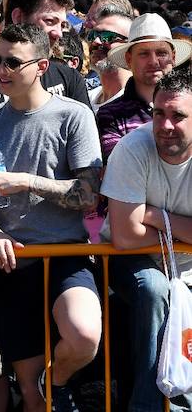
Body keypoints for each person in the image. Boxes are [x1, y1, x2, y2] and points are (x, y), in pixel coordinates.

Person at [0, 23, 103, 412]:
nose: (2, 70)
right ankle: (44, 386)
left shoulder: (73, 115)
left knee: (83, 336)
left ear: (42, 66)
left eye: (13, 62)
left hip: (65, 256)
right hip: (9, 262)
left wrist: (28, 181)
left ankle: (56, 378)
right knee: (30, 394)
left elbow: (88, 195)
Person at [101, 67, 192, 411]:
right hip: (129, 262)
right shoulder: (133, 148)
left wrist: (153, 214)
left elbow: (138, 225)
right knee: (157, 290)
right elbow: (125, 236)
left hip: (184, 265)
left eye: (178, 116)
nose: (166, 125)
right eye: (159, 114)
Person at [97, 13, 191, 162]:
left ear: (172, 57)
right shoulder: (110, 115)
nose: (153, 61)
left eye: (161, 53)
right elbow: (121, 167)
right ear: (129, 59)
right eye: (144, 54)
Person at [85, 3, 133, 112]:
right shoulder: (87, 99)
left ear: (129, 45)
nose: (96, 41)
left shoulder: (137, 105)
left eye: (107, 36)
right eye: (92, 35)